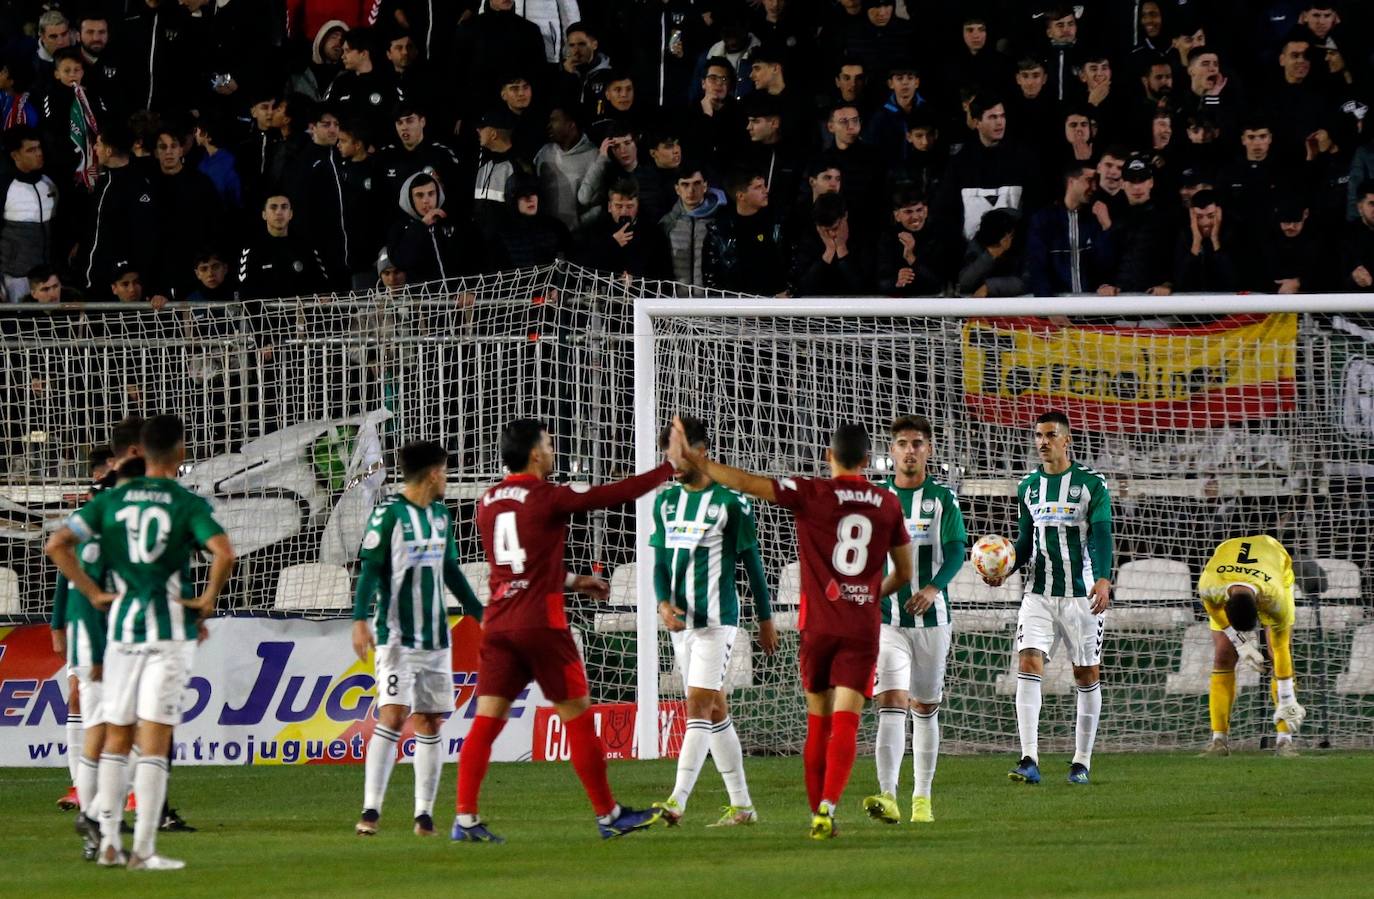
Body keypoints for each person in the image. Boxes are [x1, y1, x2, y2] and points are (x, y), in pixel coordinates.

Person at [667, 418, 911, 840]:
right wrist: (871, 594)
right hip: (861, 626)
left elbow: (746, 482)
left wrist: (696, 459)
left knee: (818, 723)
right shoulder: (887, 503)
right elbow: (904, 573)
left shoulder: (811, 492)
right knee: (847, 721)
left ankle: (816, 812)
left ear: (829, 456)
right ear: (868, 460)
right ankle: (829, 807)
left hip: (818, 626)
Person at [452, 419, 675, 842]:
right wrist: (668, 468)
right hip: (541, 625)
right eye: (550, 444)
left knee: (486, 722)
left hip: (499, 624)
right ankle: (608, 815)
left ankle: (464, 819)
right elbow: (612, 494)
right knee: (577, 716)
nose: (554, 451)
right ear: (535, 453)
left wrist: (574, 581)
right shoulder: (546, 495)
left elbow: (520, 566)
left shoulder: (487, 500)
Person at [45, 414, 235, 870]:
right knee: (153, 740)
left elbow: (57, 545)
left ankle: (109, 840)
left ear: (139, 452)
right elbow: (224, 552)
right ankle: (144, 850)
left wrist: (93, 593)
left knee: (117, 734)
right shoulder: (183, 502)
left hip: (121, 630)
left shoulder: (112, 499)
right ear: (180, 452)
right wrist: (206, 599)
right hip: (166, 631)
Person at [650, 417, 777, 827]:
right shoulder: (665, 502)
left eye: (678, 453)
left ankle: (676, 800)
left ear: (701, 452)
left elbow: (753, 564)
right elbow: (659, 562)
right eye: (668, 454)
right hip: (681, 624)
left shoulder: (731, 502)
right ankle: (743, 806)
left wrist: (765, 618)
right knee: (717, 710)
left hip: (717, 620)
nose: (671, 461)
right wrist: (662, 603)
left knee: (698, 706)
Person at [351, 441, 482, 838]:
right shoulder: (388, 514)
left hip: (436, 639)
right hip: (396, 637)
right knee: (392, 715)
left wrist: (479, 613)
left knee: (430, 720)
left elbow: (450, 571)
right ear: (433, 474)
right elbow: (370, 571)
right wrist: (359, 620)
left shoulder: (441, 516)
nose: (447, 479)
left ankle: (423, 815)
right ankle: (370, 810)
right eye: (445, 472)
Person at [982, 411, 1112, 787]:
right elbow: (1025, 542)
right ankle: (1029, 758)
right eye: (1038, 435)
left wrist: (1104, 578)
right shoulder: (1028, 487)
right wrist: (1005, 570)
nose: (1043, 441)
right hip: (1038, 594)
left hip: (1081, 596)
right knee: (1027, 661)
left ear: (1066, 440)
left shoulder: (1091, 484)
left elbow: (1102, 535)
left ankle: (1081, 761)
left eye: (1051, 435)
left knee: (1086, 673)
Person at [863, 416, 966, 826]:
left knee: (925, 706)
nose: (910, 450)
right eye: (903, 443)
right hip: (887, 620)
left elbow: (956, 551)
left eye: (918, 443)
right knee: (891, 700)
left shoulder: (942, 499)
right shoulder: (876, 500)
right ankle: (888, 795)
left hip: (933, 622)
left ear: (929, 450)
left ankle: (922, 796)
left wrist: (934, 588)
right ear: (892, 451)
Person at [1196, 535, 1305, 758]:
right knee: (1223, 655)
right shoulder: (1210, 585)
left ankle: (1285, 741)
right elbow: (1212, 608)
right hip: (1228, 557)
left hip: (1274, 561)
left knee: (1276, 652)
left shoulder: (1274, 598)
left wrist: (1288, 699)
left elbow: (1281, 647)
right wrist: (1240, 644)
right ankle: (1219, 741)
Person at [1024, 162, 1117, 296]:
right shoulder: (1043, 219)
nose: (1094, 187)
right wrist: (1048, 305)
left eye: (1095, 182)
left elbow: (1106, 264)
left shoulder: (1096, 218)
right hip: (1056, 305)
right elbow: (1037, 267)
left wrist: (1107, 228)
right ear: (1071, 181)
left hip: (1093, 305)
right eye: (1089, 180)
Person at [703, 169, 788, 296]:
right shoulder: (720, 231)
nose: (765, 191)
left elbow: (790, 263)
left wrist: (787, 293)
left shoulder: (777, 224)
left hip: (777, 303)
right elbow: (712, 278)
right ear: (741, 196)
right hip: (736, 305)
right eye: (758, 187)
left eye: (764, 185)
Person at [1, 126, 58, 302]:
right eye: (31, 150)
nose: (38, 153)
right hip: (16, 277)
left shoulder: (50, 183)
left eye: (39, 148)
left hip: (48, 275)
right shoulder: (5, 186)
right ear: (15, 155)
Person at [659, 163, 725, 286]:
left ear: (705, 186)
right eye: (685, 184)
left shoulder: (721, 221)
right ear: (677, 189)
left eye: (697, 183)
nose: (691, 190)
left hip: (714, 296)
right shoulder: (667, 224)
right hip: (675, 296)